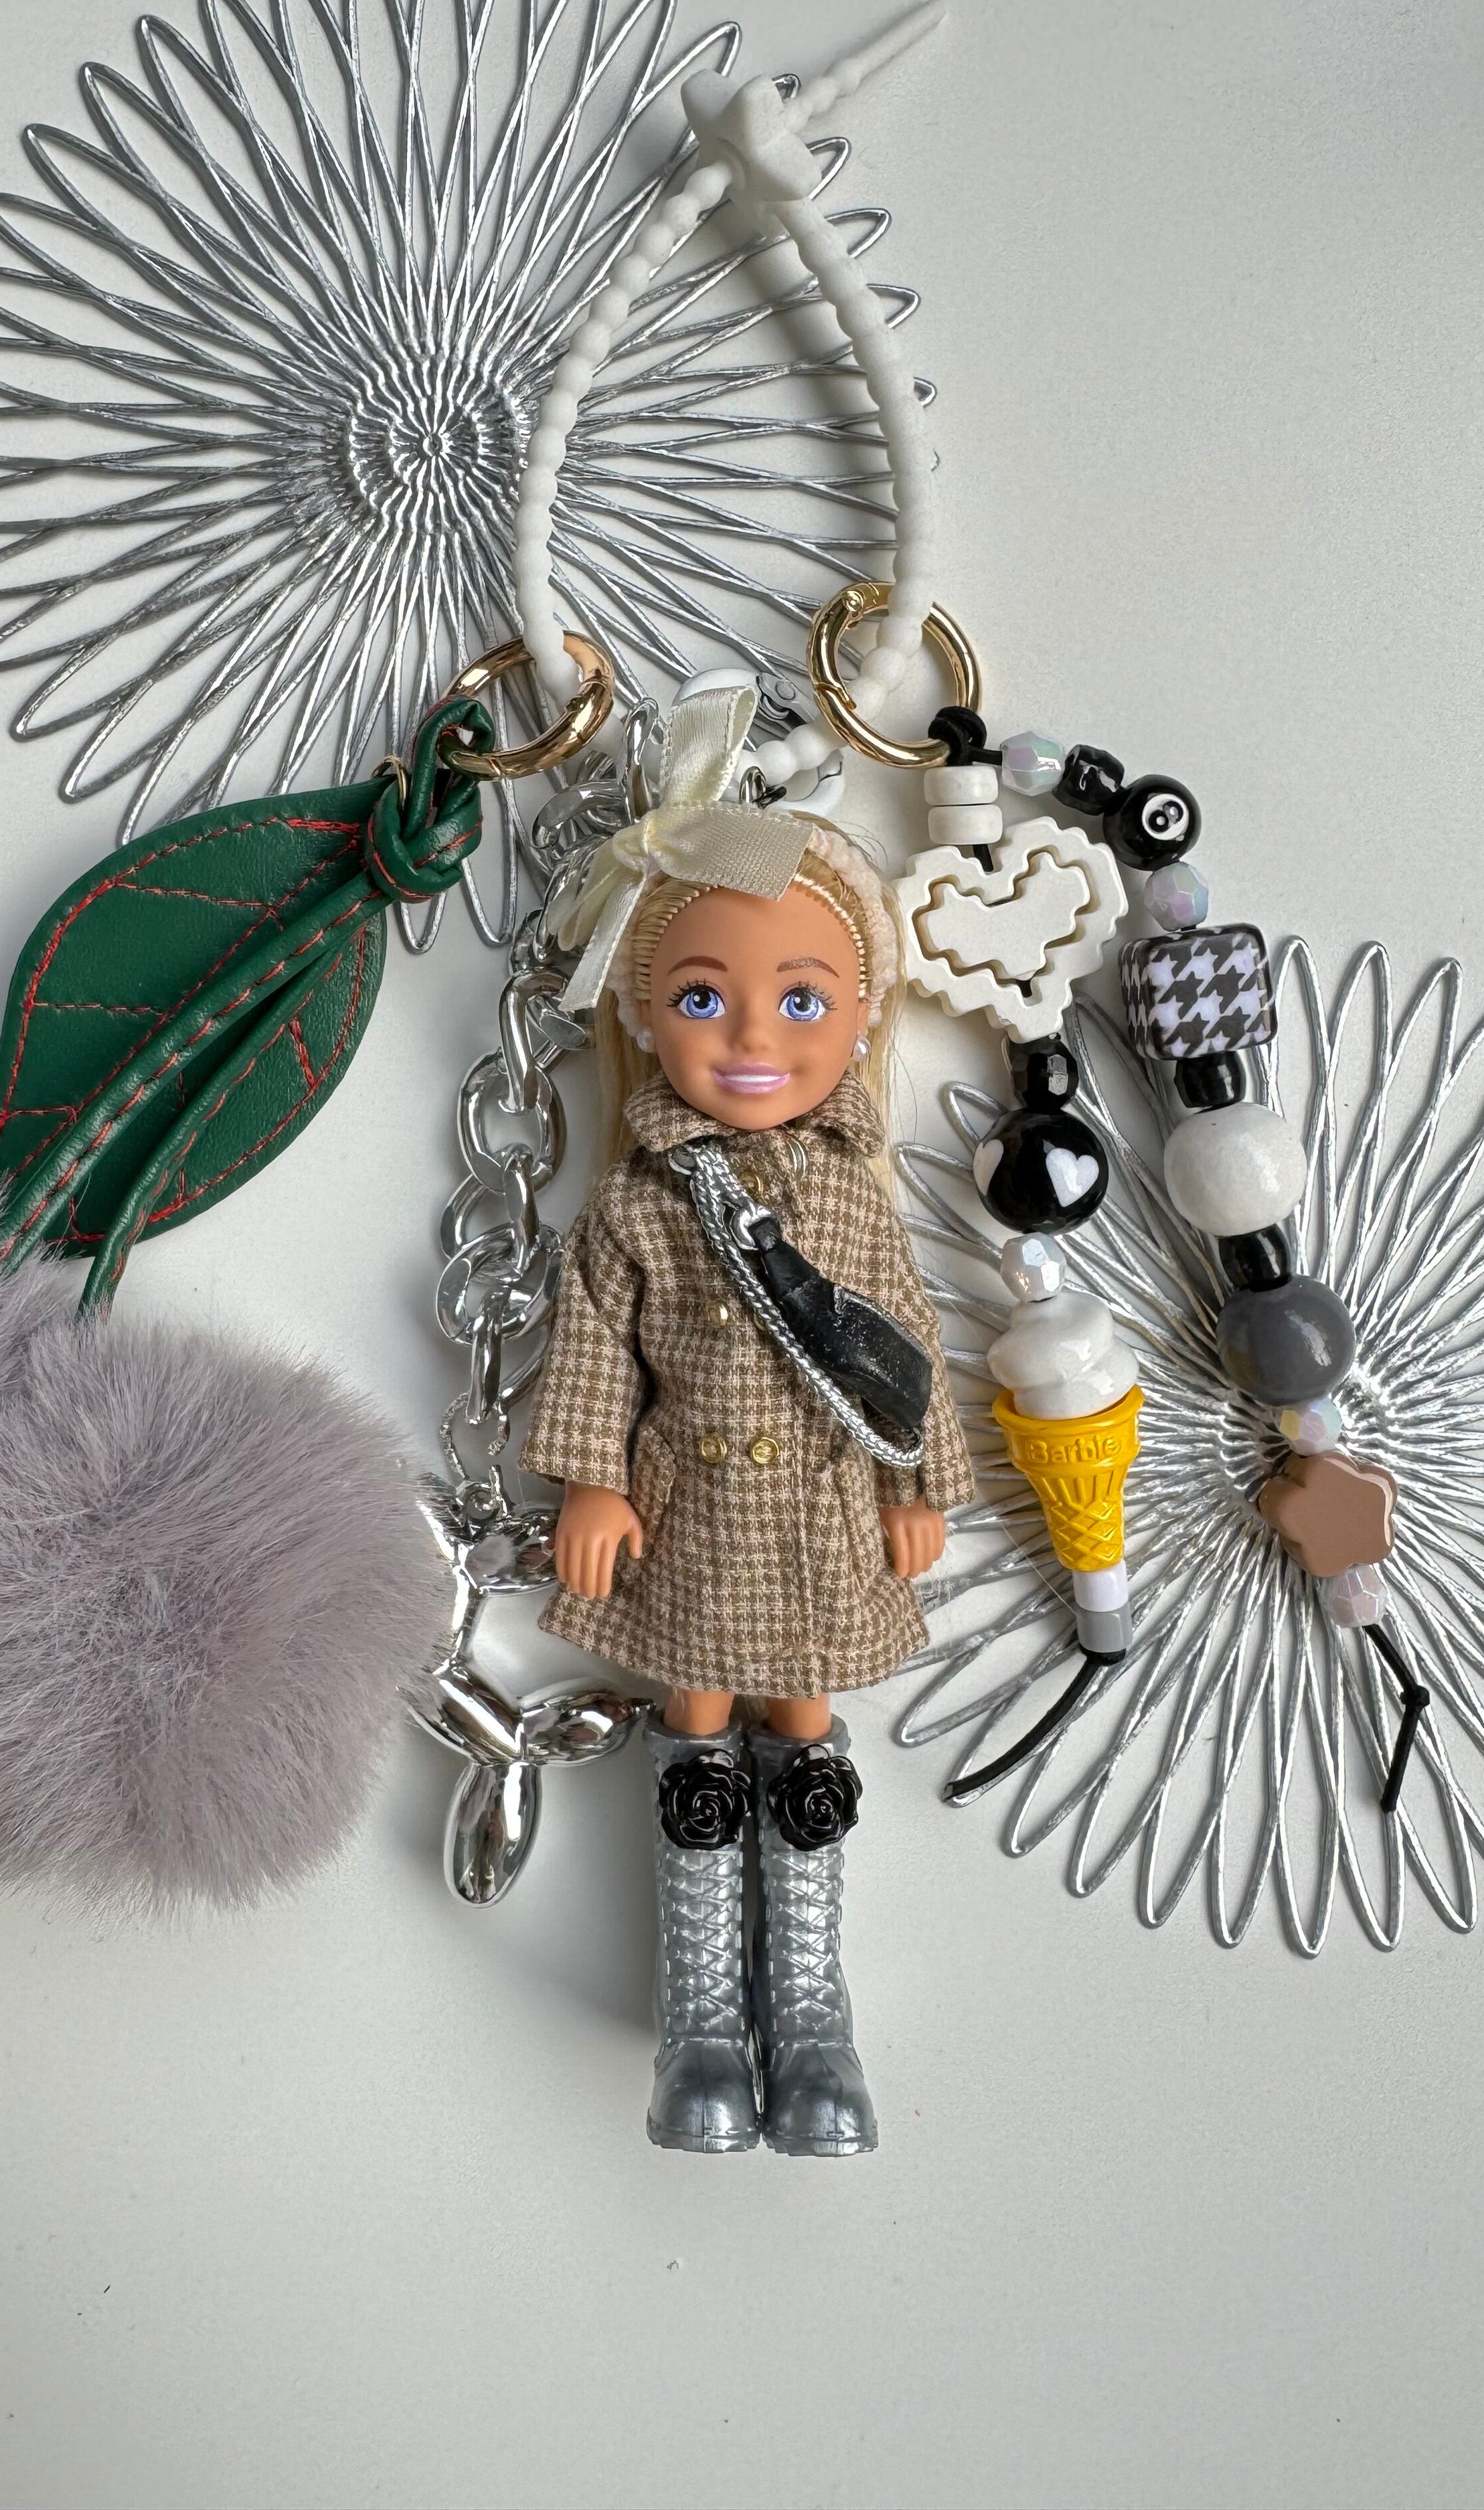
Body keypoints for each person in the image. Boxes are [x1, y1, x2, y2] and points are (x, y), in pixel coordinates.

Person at [522, 684, 975, 2155]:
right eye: (706, 998)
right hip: (694, 1520)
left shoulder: (850, 1194)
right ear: (646, 1011)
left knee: (810, 1739)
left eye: (804, 1001)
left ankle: (817, 2017)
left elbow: (906, 1347)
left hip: (823, 1521)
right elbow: (597, 1346)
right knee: (698, 1738)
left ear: (862, 1016)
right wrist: (591, 1482)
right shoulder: (640, 1201)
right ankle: (703, 2026)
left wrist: (917, 1485)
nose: (754, 1037)